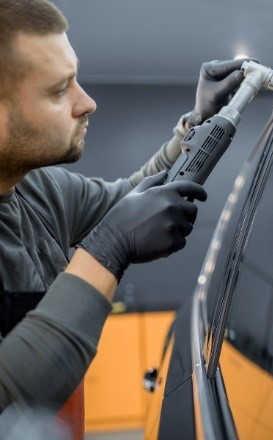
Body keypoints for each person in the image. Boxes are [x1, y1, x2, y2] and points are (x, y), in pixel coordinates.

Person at [0, 0, 245, 434]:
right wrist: (106, 251)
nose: (87, 102)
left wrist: (199, 127)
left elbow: (129, 198)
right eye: (59, 90)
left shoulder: (35, 187)